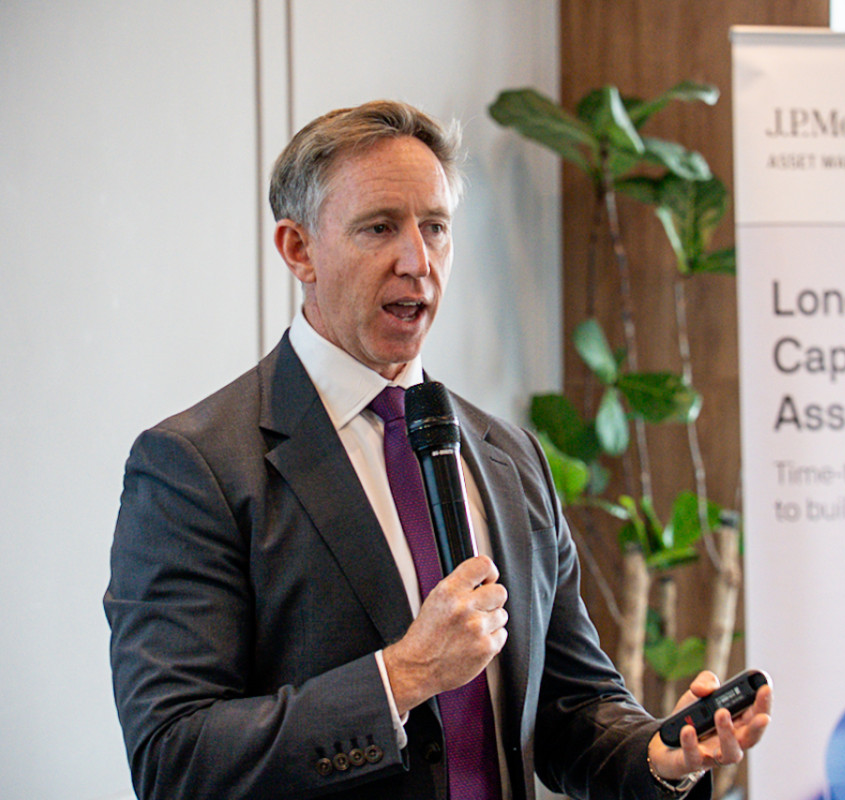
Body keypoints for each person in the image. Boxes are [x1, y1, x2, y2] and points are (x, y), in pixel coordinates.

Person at [105, 99, 771, 800]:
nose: (417, 261)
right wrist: (402, 677)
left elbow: (573, 708)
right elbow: (173, 759)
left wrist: (660, 755)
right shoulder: (196, 467)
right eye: (379, 228)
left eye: (435, 228)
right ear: (299, 250)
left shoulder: (511, 457)